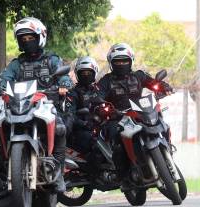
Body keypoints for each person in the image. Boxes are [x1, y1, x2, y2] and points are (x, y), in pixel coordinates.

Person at [0, 17, 72, 192]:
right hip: (20, 104)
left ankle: (59, 173)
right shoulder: (17, 64)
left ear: (40, 37)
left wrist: (64, 84)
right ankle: (9, 162)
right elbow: (4, 78)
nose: (27, 41)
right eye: (23, 39)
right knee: (0, 127)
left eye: (31, 38)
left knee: (60, 128)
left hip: (46, 104)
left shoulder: (52, 60)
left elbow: (64, 76)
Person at [96, 43, 172, 188]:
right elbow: (97, 95)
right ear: (111, 63)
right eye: (118, 62)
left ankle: (167, 147)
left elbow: (153, 83)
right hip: (118, 117)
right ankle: (123, 177)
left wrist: (163, 86)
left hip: (139, 112)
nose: (121, 64)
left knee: (162, 122)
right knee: (117, 142)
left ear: (131, 61)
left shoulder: (139, 76)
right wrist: (99, 105)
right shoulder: (106, 81)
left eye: (124, 61)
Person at [68, 56, 102, 154]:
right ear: (77, 74)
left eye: (89, 73)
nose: (86, 75)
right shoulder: (73, 93)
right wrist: (84, 123)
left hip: (101, 126)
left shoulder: (100, 89)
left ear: (95, 72)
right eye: (83, 73)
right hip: (83, 129)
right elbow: (69, 115)